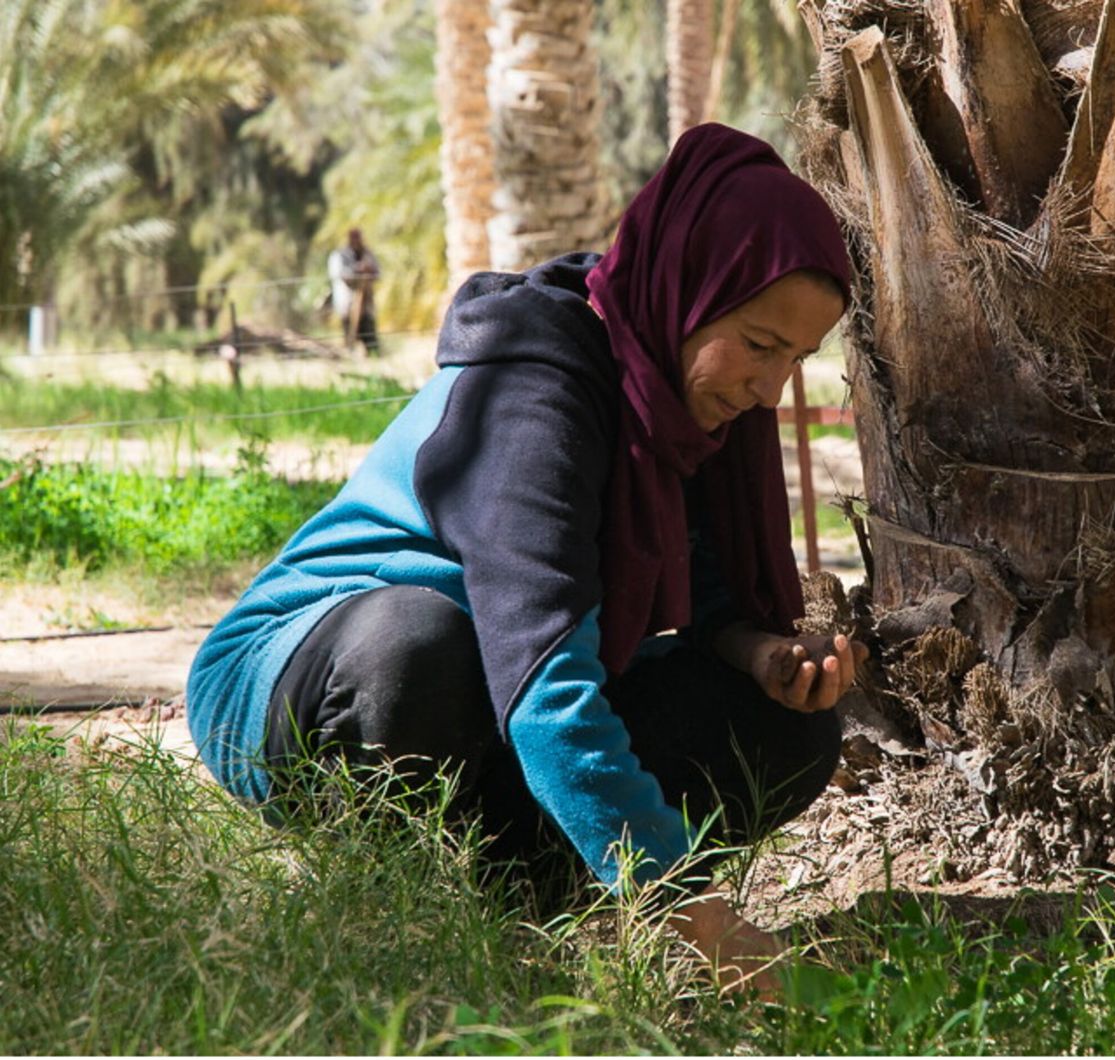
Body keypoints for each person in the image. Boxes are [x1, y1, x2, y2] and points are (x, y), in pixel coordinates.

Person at [187, 123, 866, 996]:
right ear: (688, 287)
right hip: (301, 682)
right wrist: (693, 913)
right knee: (418, 643)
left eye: (800, 358)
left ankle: (520, 893)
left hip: (482, 695)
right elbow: (546, 677)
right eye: (761, 344)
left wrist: (759, 653)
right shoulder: (534, 395)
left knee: (787, 727)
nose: (771, 389)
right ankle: (401, 909)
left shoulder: (676, 392)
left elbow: (695, 579)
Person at [328, 227, 381, 355]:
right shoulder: (340, 255)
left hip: (366, 304)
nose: (356, 240)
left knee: (370, 337)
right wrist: (358, 270)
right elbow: (340, 275)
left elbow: (378, 273)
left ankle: (373, 358)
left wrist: (369, 270)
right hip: (347, 303)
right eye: (353, 237)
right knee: (349, 338)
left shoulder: (368, 253)